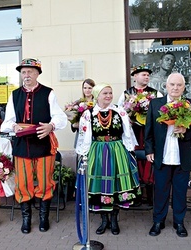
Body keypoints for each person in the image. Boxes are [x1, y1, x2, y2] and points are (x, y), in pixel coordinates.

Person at [0, 58, 67, 234]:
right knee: (23, 183)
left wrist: (51, 126)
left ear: (37, 73)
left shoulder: (48, 93)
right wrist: (14, 126)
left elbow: (60, 117)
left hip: (44, 145)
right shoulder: (14, 95)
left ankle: (44, 217)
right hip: (22, 146)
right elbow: (7, 122)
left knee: (45, 181)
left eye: (30, 71)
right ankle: (26, 218)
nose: (26, 75)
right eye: (23, 72)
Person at [75, 83, 141, 235]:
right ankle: (104, 220)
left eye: (110, 93)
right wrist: (84, 155)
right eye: (105, 93)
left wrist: (130, 150)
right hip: (97, 151)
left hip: (117, 150)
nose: (109, 96)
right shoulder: (88, 113)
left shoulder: (120, 111)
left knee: (116, 185)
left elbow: (127, 133)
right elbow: (84, 136)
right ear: (97, 95)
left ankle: (114, 219)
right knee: (100, 185)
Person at [144, 73, 191, 237]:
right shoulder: (156, 104)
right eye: (172, 84)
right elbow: (148, 130)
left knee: (180, 191)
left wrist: (186, 130)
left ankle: (179, 222)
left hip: (182, 156)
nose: (175, 88)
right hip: (161, 156)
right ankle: (158, 221)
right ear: (166, 86)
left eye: (179, 85)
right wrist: (149, 150)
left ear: (184, 87)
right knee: (160, 191)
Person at [117, 64, 163, 206]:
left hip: (150, 133)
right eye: (143, 74)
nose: (147, 77)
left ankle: (151, 196)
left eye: (148, 75)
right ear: (135, 76)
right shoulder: (126, 94)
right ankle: (135, 195)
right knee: (134, 159)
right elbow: (120, 112)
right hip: (133, 133)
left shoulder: (156, 94)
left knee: (151, 159)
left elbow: (162, 112)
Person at [69, 78, 95, 145]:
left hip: (94, 134)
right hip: (81, 133)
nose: (87, 90)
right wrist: (74, 124)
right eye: (85, 88)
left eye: (89, 88)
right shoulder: (78, 102)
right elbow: (73, 120)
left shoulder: (97, 103)